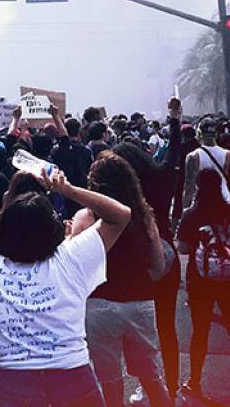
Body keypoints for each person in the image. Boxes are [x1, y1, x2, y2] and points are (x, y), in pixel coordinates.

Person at [0, 169, 132, 407]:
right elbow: (120, 215)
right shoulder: (70, 259)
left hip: (14, 385)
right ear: (54, 228)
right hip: (73, 379)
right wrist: (66, 189)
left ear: (3, 231)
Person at [71, 152, 171, 406]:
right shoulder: (144, 215)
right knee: (151, 376)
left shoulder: (85, 218)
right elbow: (159, 266)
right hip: (140, 302)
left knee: (108, 381)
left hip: (99, 304)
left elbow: (74, 268)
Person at [111, 100, 183, 404]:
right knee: (167, 328)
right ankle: (174, 388)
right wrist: (175, 120)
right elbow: (174, 155)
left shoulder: (122, 193)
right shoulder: (162, 179)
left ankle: (149, 386)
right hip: (167, 258)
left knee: (141, 332)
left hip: (139, 263)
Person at [177, 169, 230, 406]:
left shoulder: (192, 214)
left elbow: (183, 247)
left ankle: (195, 381)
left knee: (200, 333)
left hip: (200, 281)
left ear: (198, 187)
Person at [183, 118, 230, 210]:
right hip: (224, 199)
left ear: (199, 133)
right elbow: (224, 178)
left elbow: (189, 186)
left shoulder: (193, 156)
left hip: (201, 204)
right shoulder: (227, 154)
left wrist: (185, 211)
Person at [50, 116, 93, 218]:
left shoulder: (56, 150)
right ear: (79, 132)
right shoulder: (87, 151)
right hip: (81, 190)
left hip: (62, 188)